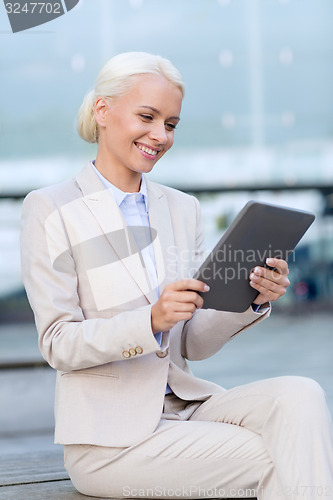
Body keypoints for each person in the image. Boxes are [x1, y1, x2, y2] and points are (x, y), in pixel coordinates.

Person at [21, 52, 333, 500]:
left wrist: (252, 297)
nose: (159, 135)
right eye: (147, 117)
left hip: (188, 409)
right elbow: (58, 342)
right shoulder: (51, 208)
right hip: (111, 443)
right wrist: (150, 320)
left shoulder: (182, 208)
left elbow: (194, 344)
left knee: (301, 394)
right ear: (102, 111)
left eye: (171, 124)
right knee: (282, 454)